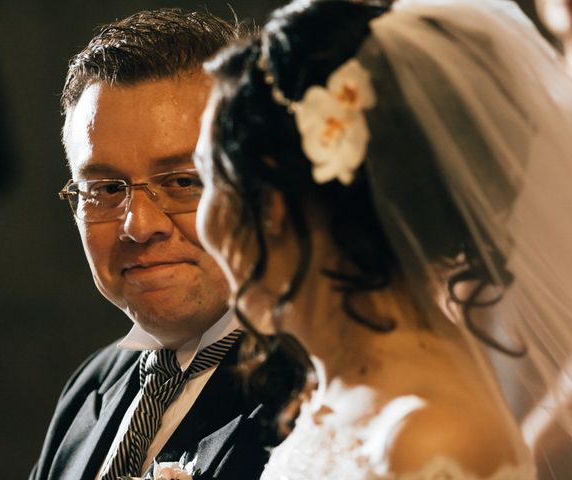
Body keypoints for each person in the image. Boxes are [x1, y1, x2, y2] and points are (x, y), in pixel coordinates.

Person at [194, 0, 572, 478]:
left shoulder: (433, 437)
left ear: (271, 205)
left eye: (206, 178)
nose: (198, 219)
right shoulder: (338, 386)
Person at [30, 9, 302, 480]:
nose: (138, 225)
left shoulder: (318, 395)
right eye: (106, 189)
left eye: (182, 181)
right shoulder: (90, 387)